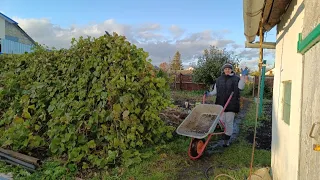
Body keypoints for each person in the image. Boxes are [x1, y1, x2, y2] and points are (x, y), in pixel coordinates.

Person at [205, 63, 245, 147]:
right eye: (225, 69)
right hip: (220, 103)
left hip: (232, 103)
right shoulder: (219, 79)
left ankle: (226, 141)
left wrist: (243, 77)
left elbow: (241, 87)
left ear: (231, 70)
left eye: (229, 69)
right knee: (221, 121)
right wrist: (208, 94)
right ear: (223, 70)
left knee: (229, 122)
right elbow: (215, 91)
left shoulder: (236, 78)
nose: (227, 70)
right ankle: (222, 134)